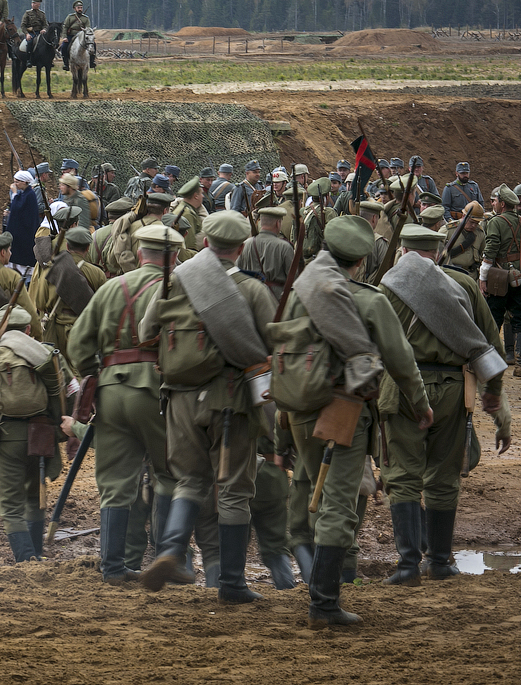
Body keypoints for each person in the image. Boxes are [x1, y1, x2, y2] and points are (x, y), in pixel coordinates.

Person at [275, 215, 431, 628]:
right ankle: (324, 604)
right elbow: (401, 362)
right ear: (361, 261)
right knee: (339, 508)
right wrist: (420, 405)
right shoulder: (367, 299)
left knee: (316, 494)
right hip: (341, 412)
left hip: (296, 408)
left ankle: (318, 587)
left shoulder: (301, 288)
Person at [138, 211, 276, 602]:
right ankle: (232, 584)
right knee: (233, 490)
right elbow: (268, 349)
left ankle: (170, 550)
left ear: (203, 243)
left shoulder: (173, 281)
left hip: (179, 399)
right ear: (243, 248)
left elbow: (145, 332)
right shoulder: (251, 290)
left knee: (189, 481)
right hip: (230, 402)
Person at [379, 224, 507, 587]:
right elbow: (489, 345)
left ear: (404, 251)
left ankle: (406, 566)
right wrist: (493, 391)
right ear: (437, 252)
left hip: (401, 387)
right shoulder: (463, 285)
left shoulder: (386, 286)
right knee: (444, 475)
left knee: (403, 475)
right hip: (453, 388)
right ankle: (439, 562)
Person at [69, 223, 184, 583]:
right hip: (158, 391)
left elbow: (77, 345)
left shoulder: (110, 288)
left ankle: (113, 567)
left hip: (111, 390)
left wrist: (98, 374)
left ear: (138, 254)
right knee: (171, 474)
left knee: (116, 481)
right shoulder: (178, 287)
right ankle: (167, 557)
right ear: (176, 257)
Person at [0, 305, 71, 561]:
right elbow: (70, 389)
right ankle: (36, 556)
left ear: (1, 331)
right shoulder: (49, 355)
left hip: (7, 437)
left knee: (10, 506)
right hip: (43, 435)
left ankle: (25, 559)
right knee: (35, 498)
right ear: (28, 330)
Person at [29, 226, 105, 357]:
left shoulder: (50, 271)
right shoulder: (97, 273)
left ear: (68, 247)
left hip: (56, 330)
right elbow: (103, 307)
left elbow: (40, 303)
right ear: (87, 248)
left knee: (59, 369)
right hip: (84, 329)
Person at [480, 184, 521, 371]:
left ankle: (490, 363)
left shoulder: (495, 222)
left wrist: (483, 277)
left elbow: (490, 252)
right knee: (519, 319)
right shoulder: (520, 220)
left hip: (498, 277)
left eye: (494, 201)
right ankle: (520, 363)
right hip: (519, 276)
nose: (492, 204)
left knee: (493, 319)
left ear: (502, 204)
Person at [238, 205, 294, 303]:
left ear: (260, 223)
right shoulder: (284, 247)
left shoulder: (246, 244)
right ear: (278, 223)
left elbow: (238, 271)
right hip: (276, 299)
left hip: (251, 296)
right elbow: (293, 278)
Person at [7, 171, 41, 278]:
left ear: (24, 182)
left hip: (25, 233)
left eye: (17, 182)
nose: (15, 184)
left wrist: (14, 193)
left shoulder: (30, 195)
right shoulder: (24, 193)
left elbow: (18, 208)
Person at [60, 0, 94, 69]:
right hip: (71, 35)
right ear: (74, 9)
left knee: (93, 45)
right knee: (63, 47)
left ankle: (91, 62)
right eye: (78, 8)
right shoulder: (70, 17)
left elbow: (88, 28)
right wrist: (64, 37)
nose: (80, 9)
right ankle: (66, 63)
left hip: (82, 37)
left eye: (81, 7)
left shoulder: (85, 18)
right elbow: (65, 27)